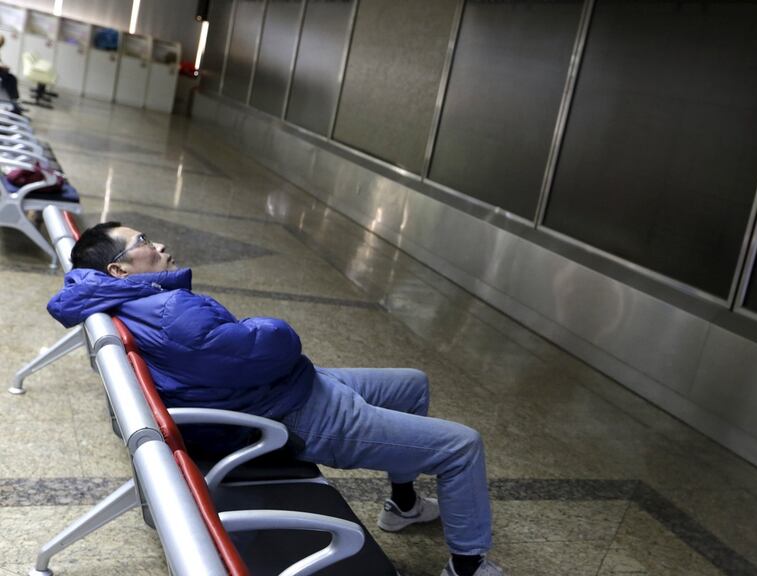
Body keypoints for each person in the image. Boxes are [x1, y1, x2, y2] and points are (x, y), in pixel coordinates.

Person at [47, 222, 505, 576]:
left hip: (286, 388)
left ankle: (403, 505)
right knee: (461, 445)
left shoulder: (137, 300)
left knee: (412, 383)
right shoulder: (168, 313)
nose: (159, 244)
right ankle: (467, 566)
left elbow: (234, 353)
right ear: (119, 270)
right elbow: (263, 347)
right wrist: (275, 324)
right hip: (295, 411)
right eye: (143, 240)